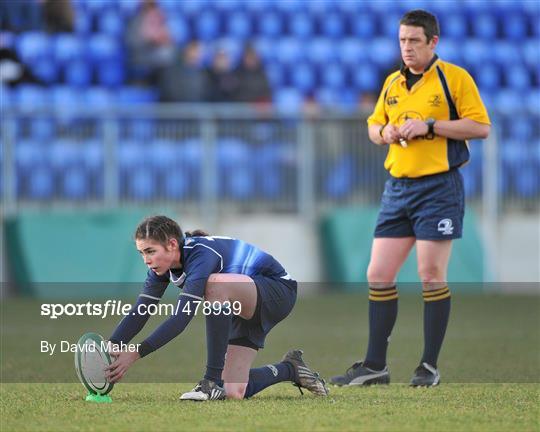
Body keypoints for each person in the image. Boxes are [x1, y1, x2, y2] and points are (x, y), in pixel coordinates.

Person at [330, 10, 490, 387]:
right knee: (378, 274)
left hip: (439, 188)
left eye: (414, 41)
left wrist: (430, 126)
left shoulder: (454, 78)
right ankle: (375, 366)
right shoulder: (392, 84)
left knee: (431, 276)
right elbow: (372, 125)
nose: (407, 48)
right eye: (402, 40)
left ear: (433, 42)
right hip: (398, 189)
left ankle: (428, 367)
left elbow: (481, 127)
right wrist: (384, 132)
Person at [105, 215, 328, 400]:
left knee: (216, 284)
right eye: (141, 253)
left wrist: (136, 353)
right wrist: (112, 343)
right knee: (234, 391)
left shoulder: (201, 254)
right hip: (240, 303)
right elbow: (141, 309)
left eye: (150, 251)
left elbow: (181, 317)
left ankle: (211, 382)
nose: (146, 259)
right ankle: (290, 368)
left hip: (277, 292)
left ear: (172, 244)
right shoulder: (161, 269)